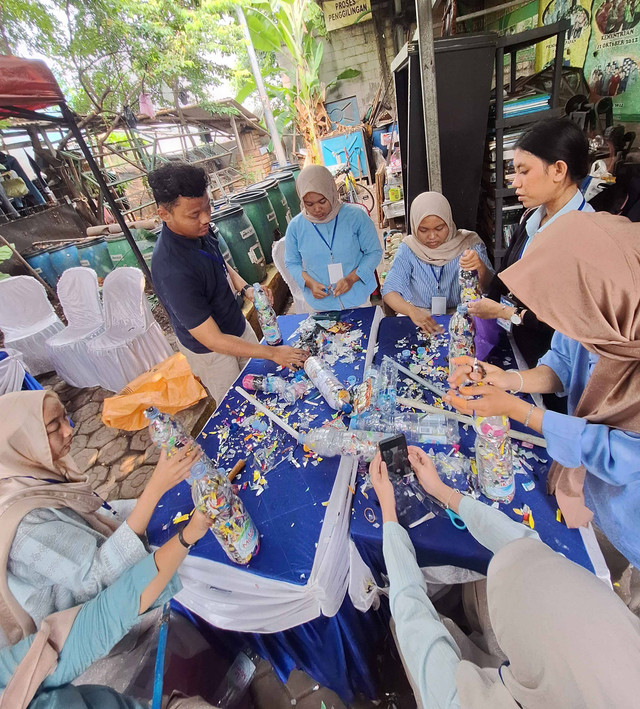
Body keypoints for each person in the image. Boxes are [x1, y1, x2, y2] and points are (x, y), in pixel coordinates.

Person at [370, 448, 640, 709]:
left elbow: (412, 617)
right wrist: (442, 491)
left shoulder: (459, 702)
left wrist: (389, 513)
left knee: (402, 627)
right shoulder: (620, 647)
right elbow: (527, 546)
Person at [446, 212, 640, 571]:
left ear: (607, 291)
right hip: (588, 491)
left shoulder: (610, 310)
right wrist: (509, 380)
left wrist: (521, 411)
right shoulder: (600, 311)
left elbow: (619, 456)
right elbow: (562, 363)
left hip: (630, 520)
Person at [0, 390, 201, 648]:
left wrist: (164, 498)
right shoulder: (25, 524)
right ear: (24, 442)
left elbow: (97, 514)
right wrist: (155, 489)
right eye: (54, 427)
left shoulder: (30, 474)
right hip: (99, 624)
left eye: (66, 418)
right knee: (197, 576)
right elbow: (98, 577)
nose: (69, 430)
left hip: (109, 585)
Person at [0, 508, 212, 709]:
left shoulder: (11, 677)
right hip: (127, 634)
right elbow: (100, 578)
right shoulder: (24, 531)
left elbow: (100, 622)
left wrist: (185, 536)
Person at [149, 163, 308, 402]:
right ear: (164, 214)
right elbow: (213, 339)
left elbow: (221, 265)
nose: (205, 218)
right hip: (212, 353)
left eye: (207, 207)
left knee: (262, 381)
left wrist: (246, 289)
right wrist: (273, 352)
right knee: (238, 402)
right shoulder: (171, 269)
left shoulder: (200, 230)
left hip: (236, 326)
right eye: (194, 214)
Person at [469, 118, 592, 369]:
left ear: (558, 170)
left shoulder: (586, 235)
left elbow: (570, 325)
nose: (515, 181)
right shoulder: (530, 219)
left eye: (524, 171)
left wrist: (505, 313)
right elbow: (507, 278)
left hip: (554, 371)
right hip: (518, 349)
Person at [382, 192, 492, 334]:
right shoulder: (409, 249)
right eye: (423, 230)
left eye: (439, 228)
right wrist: (412, 311)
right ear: (415, 227)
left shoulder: (469, 244)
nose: (432, 236)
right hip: (422, 319)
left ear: (449, 222)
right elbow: (389, 291)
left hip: (463, 317)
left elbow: (491, 287)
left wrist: (480, 267)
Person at [284, 164, 382, 311]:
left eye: (322, 201)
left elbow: (374, 252)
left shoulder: (356, 217)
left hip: (357, 297)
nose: (317, 209)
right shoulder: (296, 227)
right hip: (320, 303)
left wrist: (351, 279)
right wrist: (310, 283)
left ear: (331, 192)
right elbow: (292, 263)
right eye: (309, 204)